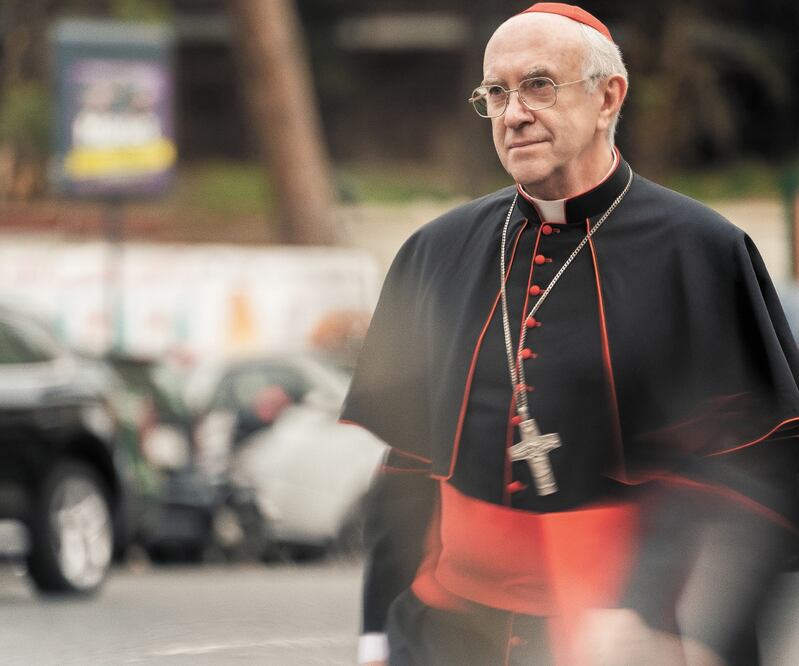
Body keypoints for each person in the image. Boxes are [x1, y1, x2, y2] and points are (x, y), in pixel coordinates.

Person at [340, 3, 799, 665]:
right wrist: (376, 633)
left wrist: (693, 627)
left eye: (536, 85)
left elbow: (759, 469)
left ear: (607, 96)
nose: (512, 113)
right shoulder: (434, 252)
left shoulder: (700, 253)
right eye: (494, 93)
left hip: (639, 635)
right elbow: (407, 466)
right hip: (451, 633)